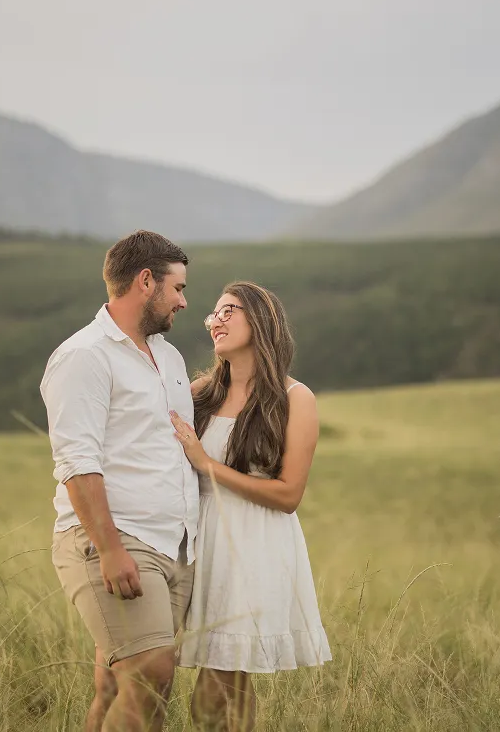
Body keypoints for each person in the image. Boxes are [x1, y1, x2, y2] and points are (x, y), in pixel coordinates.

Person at [41, 230, 198, 732]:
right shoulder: (84, 355)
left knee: (118, 685)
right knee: (152, 674)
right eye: (176, 288)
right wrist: (109, 548)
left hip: (172, 544)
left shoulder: (167, 358)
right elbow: (77, 461)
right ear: (145, 281)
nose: (184, 301)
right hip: (114, 540)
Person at [170, 281, 331, 731]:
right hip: (199, 540)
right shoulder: (201, 392)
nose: (214, 320)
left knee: (218, 681)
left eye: (229, 311)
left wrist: (206, 465)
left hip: (253, 544)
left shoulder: (294, 398)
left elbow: (288, 495)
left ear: (260, 320)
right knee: (226, 677)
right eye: (212, 314)